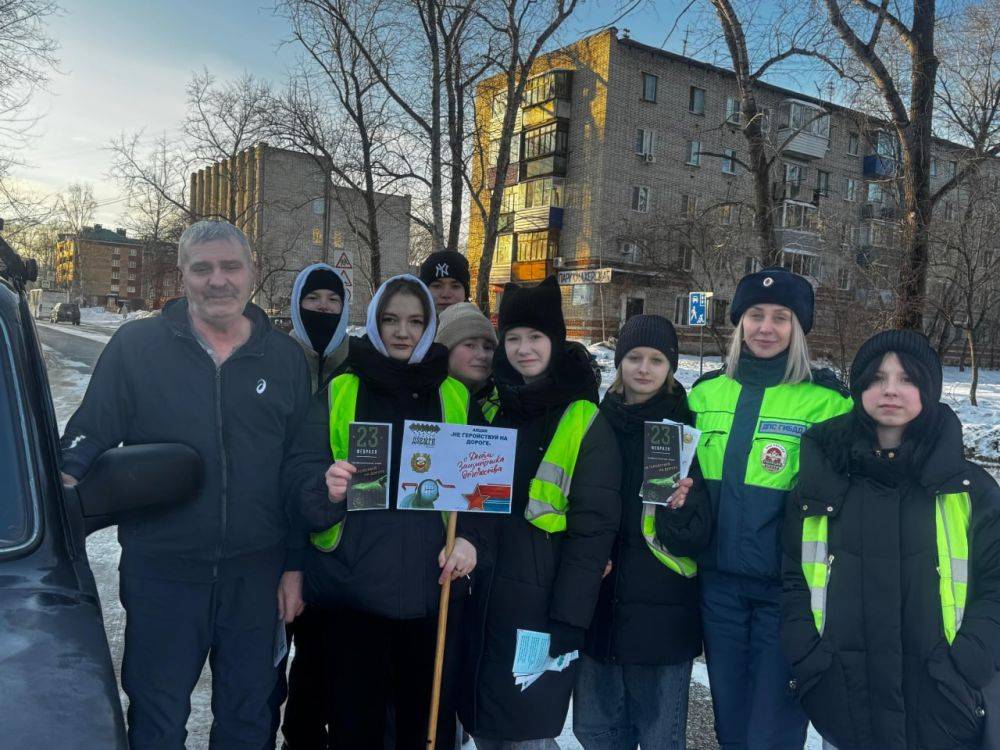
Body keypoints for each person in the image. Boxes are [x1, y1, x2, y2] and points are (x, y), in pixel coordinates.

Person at [60, 220, 312, 749]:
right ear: (183, 275)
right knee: (156, 715)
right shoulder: (137, 346)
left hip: (256, 575)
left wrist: (294, 564)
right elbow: (91, 430)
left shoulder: (285, 359)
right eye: (202, 268)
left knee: (249, 718)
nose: (217, 281)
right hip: (162, 572)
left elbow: (300, 467)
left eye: (230, 266)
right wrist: (59, 488)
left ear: (252, 272)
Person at [291, 274, 490, 750]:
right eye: (391, 320)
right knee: (355, 731)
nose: (403, 332)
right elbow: (299, 478)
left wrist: (471, 539)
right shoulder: (342, 390)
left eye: (416, 321)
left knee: (426, 732)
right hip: (352, 596)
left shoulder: (454, 396)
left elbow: (484, 481)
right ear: (375, 322)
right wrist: (327, 488)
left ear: (430, 327)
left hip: (432, 597)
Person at [781, 330, 1000, 750]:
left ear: (929, 390)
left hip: (942, 705)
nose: (891, 391)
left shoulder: (972, 489)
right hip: (843, 698)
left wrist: (968, 664)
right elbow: (793, 577)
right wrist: (811, 660)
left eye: (908, 379)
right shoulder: (822, 479)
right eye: (877, 378)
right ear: (860, 386)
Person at [687, 266, 853, 750]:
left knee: (773, 730)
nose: (766, 327)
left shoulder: (827, 404)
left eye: (782, 317)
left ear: (798, 330)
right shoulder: (703, 394)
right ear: (738, 323)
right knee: (730, 726)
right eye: (755, 315)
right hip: (719, 591)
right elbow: (680, 482)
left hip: (787, 594)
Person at [460, 275, 622, 749]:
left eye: (535, 337)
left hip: (541, 609)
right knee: (485, 723)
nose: (523, 348)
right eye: (512, 338)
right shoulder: (491, 406)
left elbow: (593, 532)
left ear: (556, 339)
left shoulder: (582, 418)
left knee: (527, 732)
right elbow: (471, 501)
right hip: (483, 598)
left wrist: (569, 620)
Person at [573, 315, 712, 750]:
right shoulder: (594, 422)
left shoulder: (687, 429)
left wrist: (684, 505)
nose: (644, 368)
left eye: (656, 359)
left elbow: (696, 537)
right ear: (619, 363)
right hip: (600, 609)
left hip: (663, 619)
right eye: (634, 357)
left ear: (671, 366)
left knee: (658, 737)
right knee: (596, 733)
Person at [273, 262, 351, 749]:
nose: (323, 308)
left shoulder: (357, 363)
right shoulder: (278, 360)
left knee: (323, 660)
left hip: (335, 539)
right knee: (269, 666)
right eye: (313, 298)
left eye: (333, 300)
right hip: (279, 530)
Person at [435, 300, 497, 404]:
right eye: (470, 345)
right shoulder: (422, 399)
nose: (482, 355)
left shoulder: (507, 401)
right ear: (446, 349)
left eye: (487, 347)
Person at [420, 250, 471, 314]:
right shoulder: (406, 323)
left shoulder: (480, 323)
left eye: (455, 286)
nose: (446, 294)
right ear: (424, 291)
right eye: (437, 286)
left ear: (465, 293)